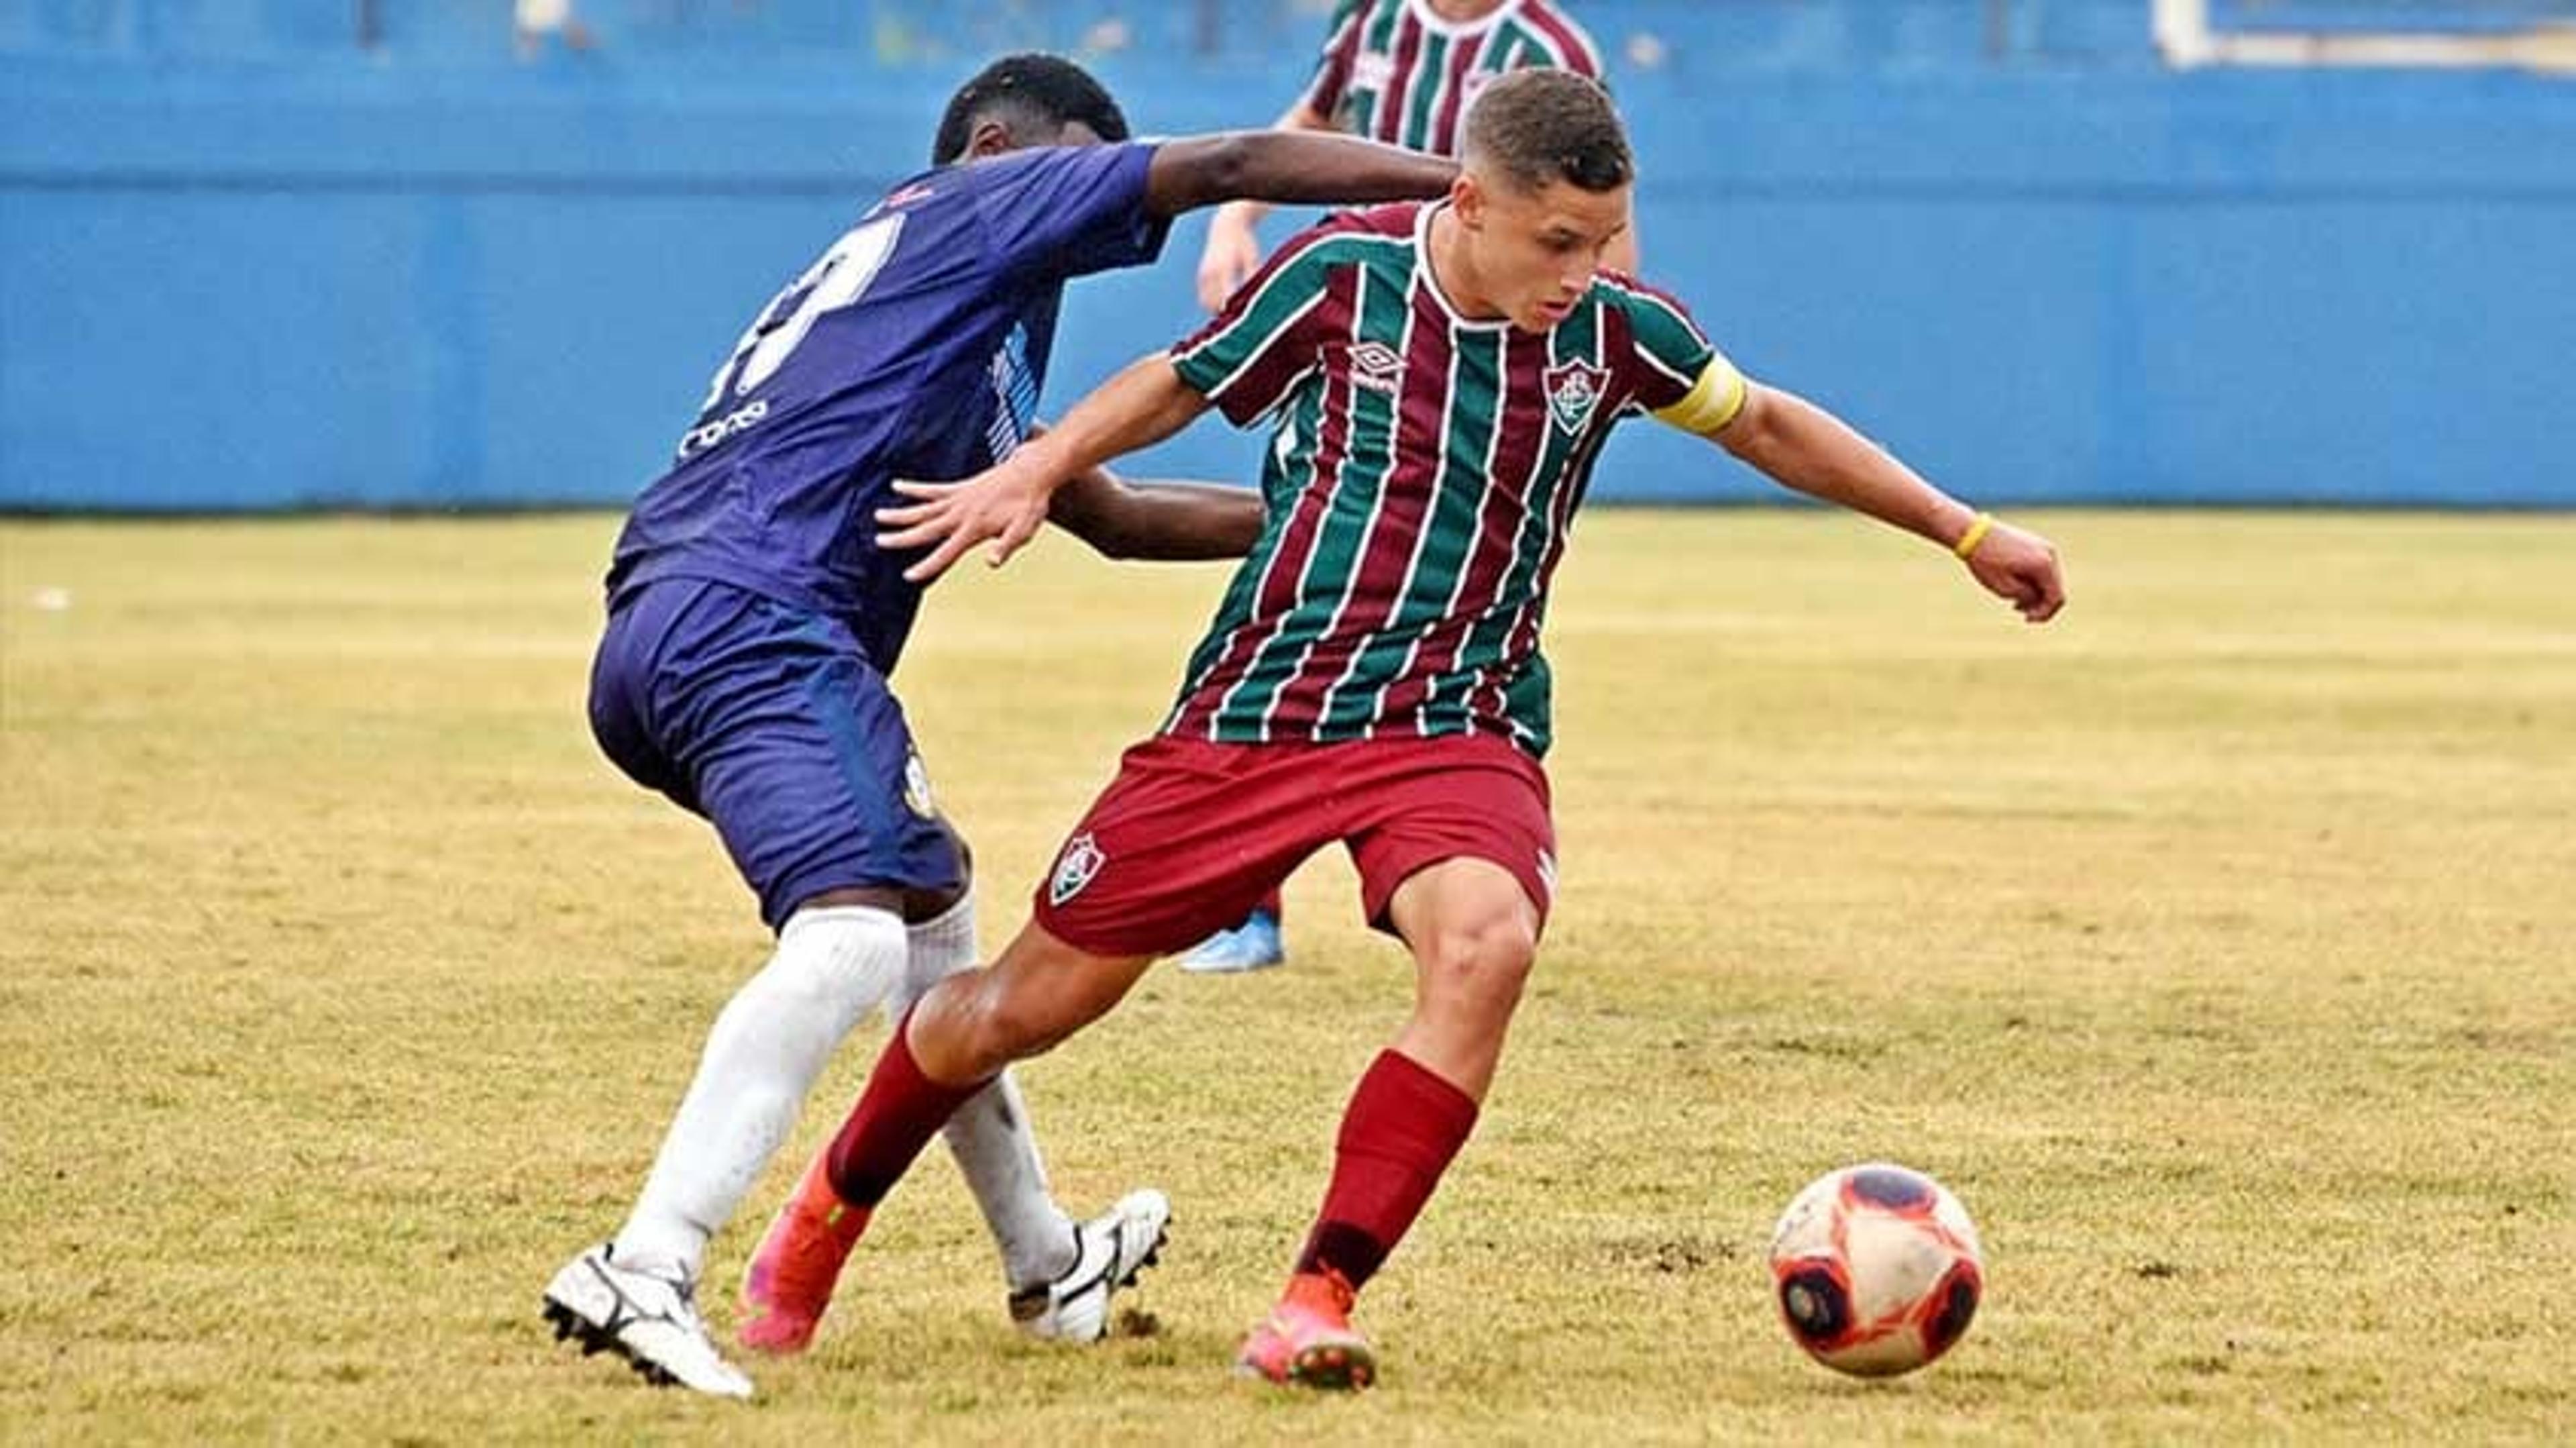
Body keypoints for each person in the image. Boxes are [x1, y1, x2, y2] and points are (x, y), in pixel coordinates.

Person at [749, 69, 2065, 1391]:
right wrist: (1035, 466)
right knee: (1012, 1010)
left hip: (1460, 721)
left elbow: (1770, 422)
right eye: (1558, 241)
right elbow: (1178, 381)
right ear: (1471, 199)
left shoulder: (1617, 334)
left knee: (1487, 940)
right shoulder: (1341, 280)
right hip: (1262, 712)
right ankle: (815, 1226)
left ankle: (1314, 1297)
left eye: (1603, 241)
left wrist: (1966, 530)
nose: (1582, 271)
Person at [537, 53, 1460, 1400]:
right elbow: (1232, 167)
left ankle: (1048, 1258)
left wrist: (1346, 521)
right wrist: (1460, 186)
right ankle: (646, 1259)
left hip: (686, 619)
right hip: (752, 611)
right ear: (996, 145)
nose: (1090, 216)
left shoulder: (948, 316)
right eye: (1074, 171)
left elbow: (1125, 521)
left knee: (931, 927)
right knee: (851, 931)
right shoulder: (969, 208)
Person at [1183, 0, 1629, 973]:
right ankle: (1240, 899)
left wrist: (1592, 357)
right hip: (1374, 337)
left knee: (1474, 600)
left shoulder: (1550, 51)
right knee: (1296, 577)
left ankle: (1477, 841)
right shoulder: (1377, 21)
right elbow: (1308, 121)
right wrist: (1235, 217)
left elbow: (1590, 217)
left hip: (1487, 369)